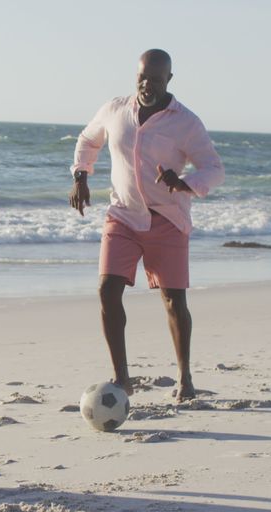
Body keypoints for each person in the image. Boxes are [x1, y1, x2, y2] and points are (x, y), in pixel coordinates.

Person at [70, 49, 224, 403]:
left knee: (173, 301)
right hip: (122, 215)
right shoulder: (115, 109)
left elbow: (214, 169)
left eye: (155, 79)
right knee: (107, 290)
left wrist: (183, 182)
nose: (146, 84)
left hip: (167, 219)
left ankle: (185, 377)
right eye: (142, 77)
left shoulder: (186, 122)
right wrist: (81, 175)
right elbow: (88, 140)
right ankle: (122, 379)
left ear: (169, 79)